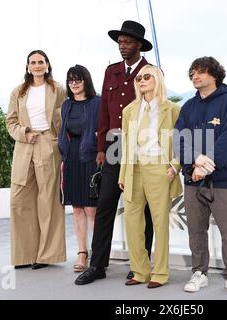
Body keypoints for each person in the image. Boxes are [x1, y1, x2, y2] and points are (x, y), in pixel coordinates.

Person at [75, 20, 154, 285]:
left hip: (141, 146)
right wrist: (101, 147)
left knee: (141, 208)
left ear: (139, 45)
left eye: (127, 42)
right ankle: (97, 265)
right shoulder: (111, 71)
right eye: (120, 41)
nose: (122, 46)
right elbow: (105, 113)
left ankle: (140, 265)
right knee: (106, 203)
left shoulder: (151, 71)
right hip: (113, 147)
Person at [174, 56, 227, 297]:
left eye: (201, 72)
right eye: (192, 72)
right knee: (196, 229)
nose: (195, 76)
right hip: (193, 180)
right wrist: (195, 161)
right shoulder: (188, 107)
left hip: (223, 180)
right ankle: (199, 273)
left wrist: (204, 166)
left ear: (214, 75)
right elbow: (178, 139)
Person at [118, 65, 182, 288]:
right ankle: (140, 270)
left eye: (147, 77)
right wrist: (123, 172)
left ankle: (161, 273)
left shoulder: (172, 109)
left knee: (160, 221)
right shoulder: (129, 110)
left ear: (158, 80)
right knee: (132, 221)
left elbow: (183, 142)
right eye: (138, 78)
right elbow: (125, 144)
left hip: (159, 169)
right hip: (134, 169)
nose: (141, 81)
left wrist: (175, 166)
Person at [6, 49, 66, 270]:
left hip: (48, 145)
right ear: (28, 66)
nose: (37, 65)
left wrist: (56, 139)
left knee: (48, 201)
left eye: (41, 62)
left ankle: (45, 255)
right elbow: (10, 121)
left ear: (47, 65)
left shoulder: (57, 89)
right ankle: (24, 254)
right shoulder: (18, 92)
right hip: (24, 146)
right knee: (19, 199)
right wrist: (23, 133)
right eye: (33, 62)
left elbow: (65, 117)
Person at [58, 65, 100, 272]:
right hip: (71, 157)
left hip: (91, 157)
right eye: (70, 80)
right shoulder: (66, 105)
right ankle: (82, 253)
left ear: (86, 81)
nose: (73, 83)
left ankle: (98, 255)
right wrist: (63, 159)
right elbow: (62, 133)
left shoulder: (97, 103)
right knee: (76, 208)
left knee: (91, 208)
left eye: (77, 79)